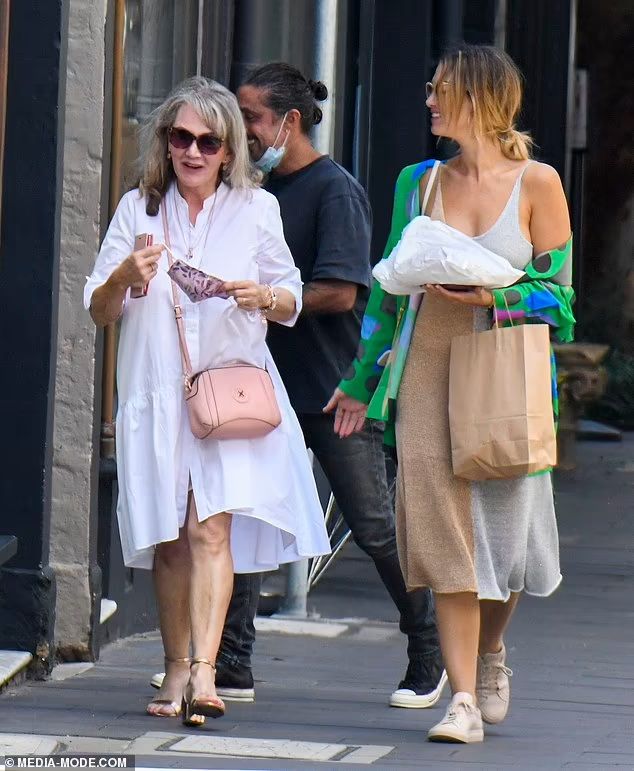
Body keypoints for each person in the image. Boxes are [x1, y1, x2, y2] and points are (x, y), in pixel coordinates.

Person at [327, 44, 575, 743]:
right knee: (445, 538)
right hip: (428, 370)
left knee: (510, 543)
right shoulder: (419, 183)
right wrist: (361, 382)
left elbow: (562, 302)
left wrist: (493, 295)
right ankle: (462, 698)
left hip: (505, 370)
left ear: (479, 98)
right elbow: (387, 292)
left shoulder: (538, 184)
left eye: (441, 90)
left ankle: (492, 649)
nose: (429, 100)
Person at [84, 76, 330, 726]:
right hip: (156, 396)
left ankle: (204, 671)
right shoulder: (138, 209)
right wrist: (122, 277)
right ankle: (174, 665)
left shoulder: (255, 209)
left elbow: (291, 295)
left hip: (226, 396)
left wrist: (261, 295)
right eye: (180, 137)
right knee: (169, 539)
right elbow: (99, 309)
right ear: (165, 141)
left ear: (228, 149)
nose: (192, 151)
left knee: (209, 527)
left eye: (208, 141)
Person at [211, 61, 443, 709]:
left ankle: (429, 648)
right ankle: (232, 662)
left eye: (251, 117)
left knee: (373, 525)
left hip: (334, 388)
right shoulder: (248, 189)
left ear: (290, 120)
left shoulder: (333, 190)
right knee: (245, 518)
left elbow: (342, 291)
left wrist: (268, 299)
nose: (240, 129)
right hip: (260, 386)